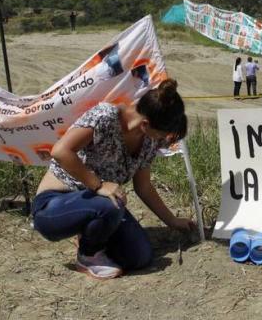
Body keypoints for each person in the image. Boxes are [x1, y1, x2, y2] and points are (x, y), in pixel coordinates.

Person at [31, 79, 195, 280]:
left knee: (140, 257)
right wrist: (97, 185)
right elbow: (60, 151)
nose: (164, 142)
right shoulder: (105, 117)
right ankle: (88, 255)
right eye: (162, 135)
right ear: (145, 124)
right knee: (112, 205)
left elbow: (143, 186)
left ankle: (89, 232)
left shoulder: (149, 142)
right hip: (53, 206)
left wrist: (172, 220)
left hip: (101, 205)